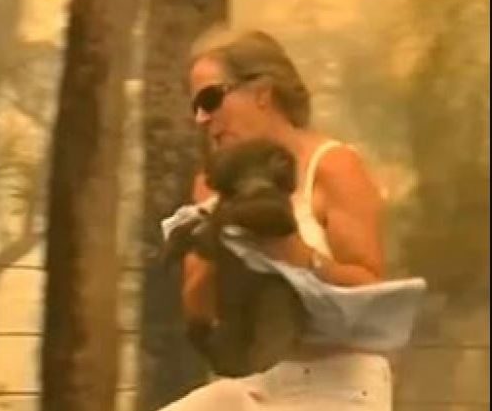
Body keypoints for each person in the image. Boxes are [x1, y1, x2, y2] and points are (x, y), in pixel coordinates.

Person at [159, 28, 425, 410]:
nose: (202, 118)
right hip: (257, 380)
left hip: (339, 383)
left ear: (262, 94)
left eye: (211, 99)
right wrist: (212, 243)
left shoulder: (335, 167)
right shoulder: (211, 183)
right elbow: (199, 312)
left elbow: (369, 287)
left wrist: (300, 257)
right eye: (195, 107)